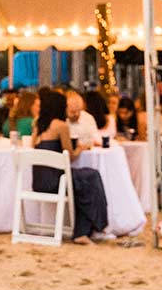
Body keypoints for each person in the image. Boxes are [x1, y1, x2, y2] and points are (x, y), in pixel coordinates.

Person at [31, 89, 109, 243]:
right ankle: (86, 230)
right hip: (55, 181)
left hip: (39, 181)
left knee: (84, 180)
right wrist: (81, 147)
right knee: (91, 177)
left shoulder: (38, 126)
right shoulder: (61, 126)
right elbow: (70, 157)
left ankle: (85, 230)